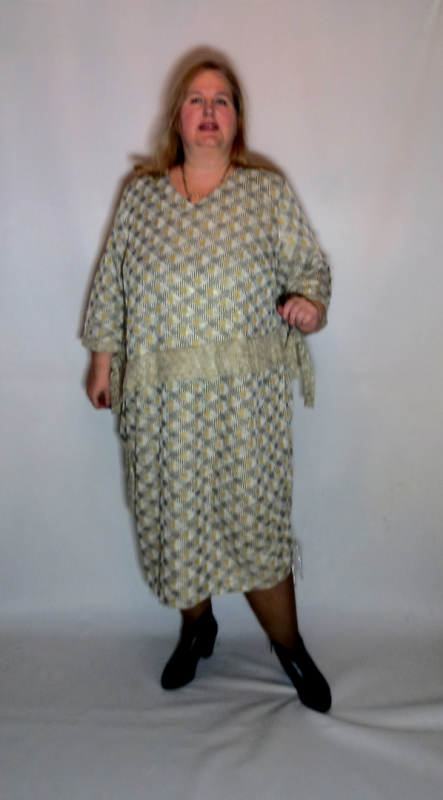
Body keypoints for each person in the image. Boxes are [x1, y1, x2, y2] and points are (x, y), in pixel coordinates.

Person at [83, 48, 332, 713]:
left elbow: (309, 269)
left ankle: (289, 645)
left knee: (254, 522)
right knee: (176, 516)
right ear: (177, 116)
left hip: (244, 402)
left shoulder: (265, 193)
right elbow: (112, 283)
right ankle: (198, 629)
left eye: (222, 100)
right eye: (196, 99)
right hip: (162, 403)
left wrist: (308, 305)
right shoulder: (141, 198)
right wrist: (103, 361)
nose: (208, 110)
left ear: (236, 120)